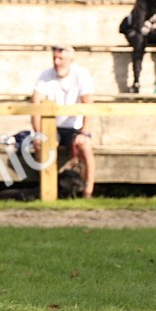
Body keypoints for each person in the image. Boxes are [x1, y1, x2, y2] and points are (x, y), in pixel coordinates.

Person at [31, 45, 96, 198]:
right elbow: (35, 106)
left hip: (75, 126)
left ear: (70, 59)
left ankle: (88, 191)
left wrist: (84, 132)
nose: (57, 62)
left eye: (60, 58)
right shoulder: (45, 75)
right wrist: (39, 133)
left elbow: (89, 105)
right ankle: (48, 189)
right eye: (54, 58)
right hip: (52, 126)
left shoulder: (81, 74)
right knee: (42, 144)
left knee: (85, 146)